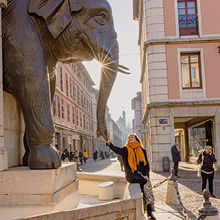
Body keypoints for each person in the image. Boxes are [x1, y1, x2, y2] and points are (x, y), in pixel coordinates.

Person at [106, 133, 156, 219]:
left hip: (142, 174)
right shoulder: (126, 149)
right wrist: (109, 143)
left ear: (137, 139)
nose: (130, 139)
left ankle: (148, 211)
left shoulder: (142, 150)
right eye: (129, 138)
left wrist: (147, 174)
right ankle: (149, 208)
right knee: (146, 182)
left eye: (132, 137)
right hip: (132, 175)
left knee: (145, 188)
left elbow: (146, 164)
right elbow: (116, 149)